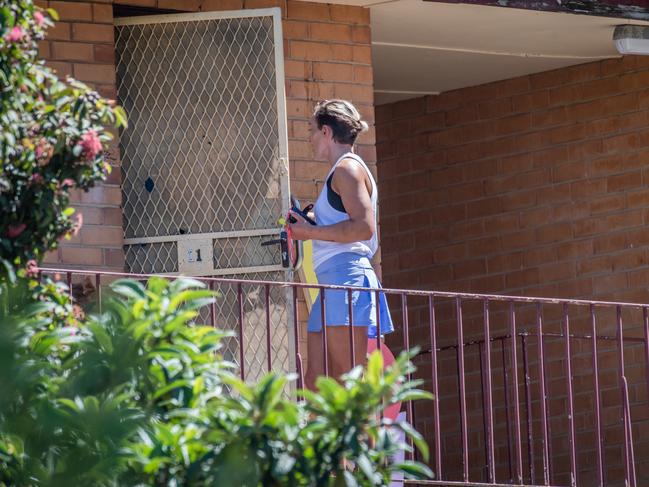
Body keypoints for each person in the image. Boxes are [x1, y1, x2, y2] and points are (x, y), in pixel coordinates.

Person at [288, 99, 394, 390]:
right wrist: (312, 222)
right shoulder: (342, 171)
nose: (309, 138)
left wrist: (309, 233)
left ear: (325, 132)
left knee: (349, 384)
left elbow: (363, 227)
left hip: (346, 280)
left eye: (311, 130)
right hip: (332, 284)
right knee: (317, 382)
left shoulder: (347, 170)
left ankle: (366, 437)